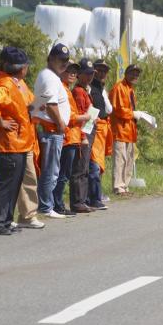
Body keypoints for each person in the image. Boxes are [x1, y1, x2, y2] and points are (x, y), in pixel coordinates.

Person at [0, 61, 43, 229]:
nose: (26, 69)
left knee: (18, 181)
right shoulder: (1, 82)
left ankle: (8, 220)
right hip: (9, 142)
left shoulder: (18, 83)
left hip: (23, 139)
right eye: (25, 66)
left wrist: (37, 105)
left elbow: (27, 103)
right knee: (6, 183)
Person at [32, 43, 71, 219]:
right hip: (51, 129)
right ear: (50, 59)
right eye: (60, 60)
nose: (64, 63)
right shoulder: (49, 77)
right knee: (51, 170)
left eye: (66, 60)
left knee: (51, 169)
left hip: (51, 129)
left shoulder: (51, 76)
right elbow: (50, 104)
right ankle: (46, 206)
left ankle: (46, 204)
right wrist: (61, 123)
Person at [52, 62, 90, 215]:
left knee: (64, 173)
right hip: (68, 136)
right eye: (69, 71)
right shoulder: (62, 89)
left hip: (73, 136)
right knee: (62, 173)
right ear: (61, 71)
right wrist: (84, 117)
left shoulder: (67, 89)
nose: (73, 74)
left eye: (75, 71)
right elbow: (68, 116)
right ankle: (57, 204)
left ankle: (58, 203)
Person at [110, 64, 143, 196]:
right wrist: (133, 114)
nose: (135, 76)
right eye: (132, 73)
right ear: (126, 74)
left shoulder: (130, 89)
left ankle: (125, 185)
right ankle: (118, 187)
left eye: (137, 74)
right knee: (120, 159)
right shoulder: (119, 87)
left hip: (130, 131)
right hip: (120, 130)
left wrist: (138, 114)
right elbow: (117, 109)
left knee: (129, 159)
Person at [70, 58, 97, 213]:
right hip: (83, 133)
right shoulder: (79, 92)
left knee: (85, 167)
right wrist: (83, 137)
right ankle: (78, 201)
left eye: (91, 74)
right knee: (80, 168)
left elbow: (88, 112)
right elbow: (80, 116)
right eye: (86, 74)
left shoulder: (85, 91)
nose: (90, 77)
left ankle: (83, 200)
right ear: (79, 75)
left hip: (89, 130)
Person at [88, 59, 113, 209]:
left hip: (103, 127)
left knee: (99, 163)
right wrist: (88, 130)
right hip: (94, 127)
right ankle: (94, 197)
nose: (102, 73)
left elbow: (109, 109)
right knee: (94, 164)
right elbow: (90, 109)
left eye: (104, 71)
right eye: (99, 70)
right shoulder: (90, 88)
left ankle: (97, 194)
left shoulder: (101, 88)